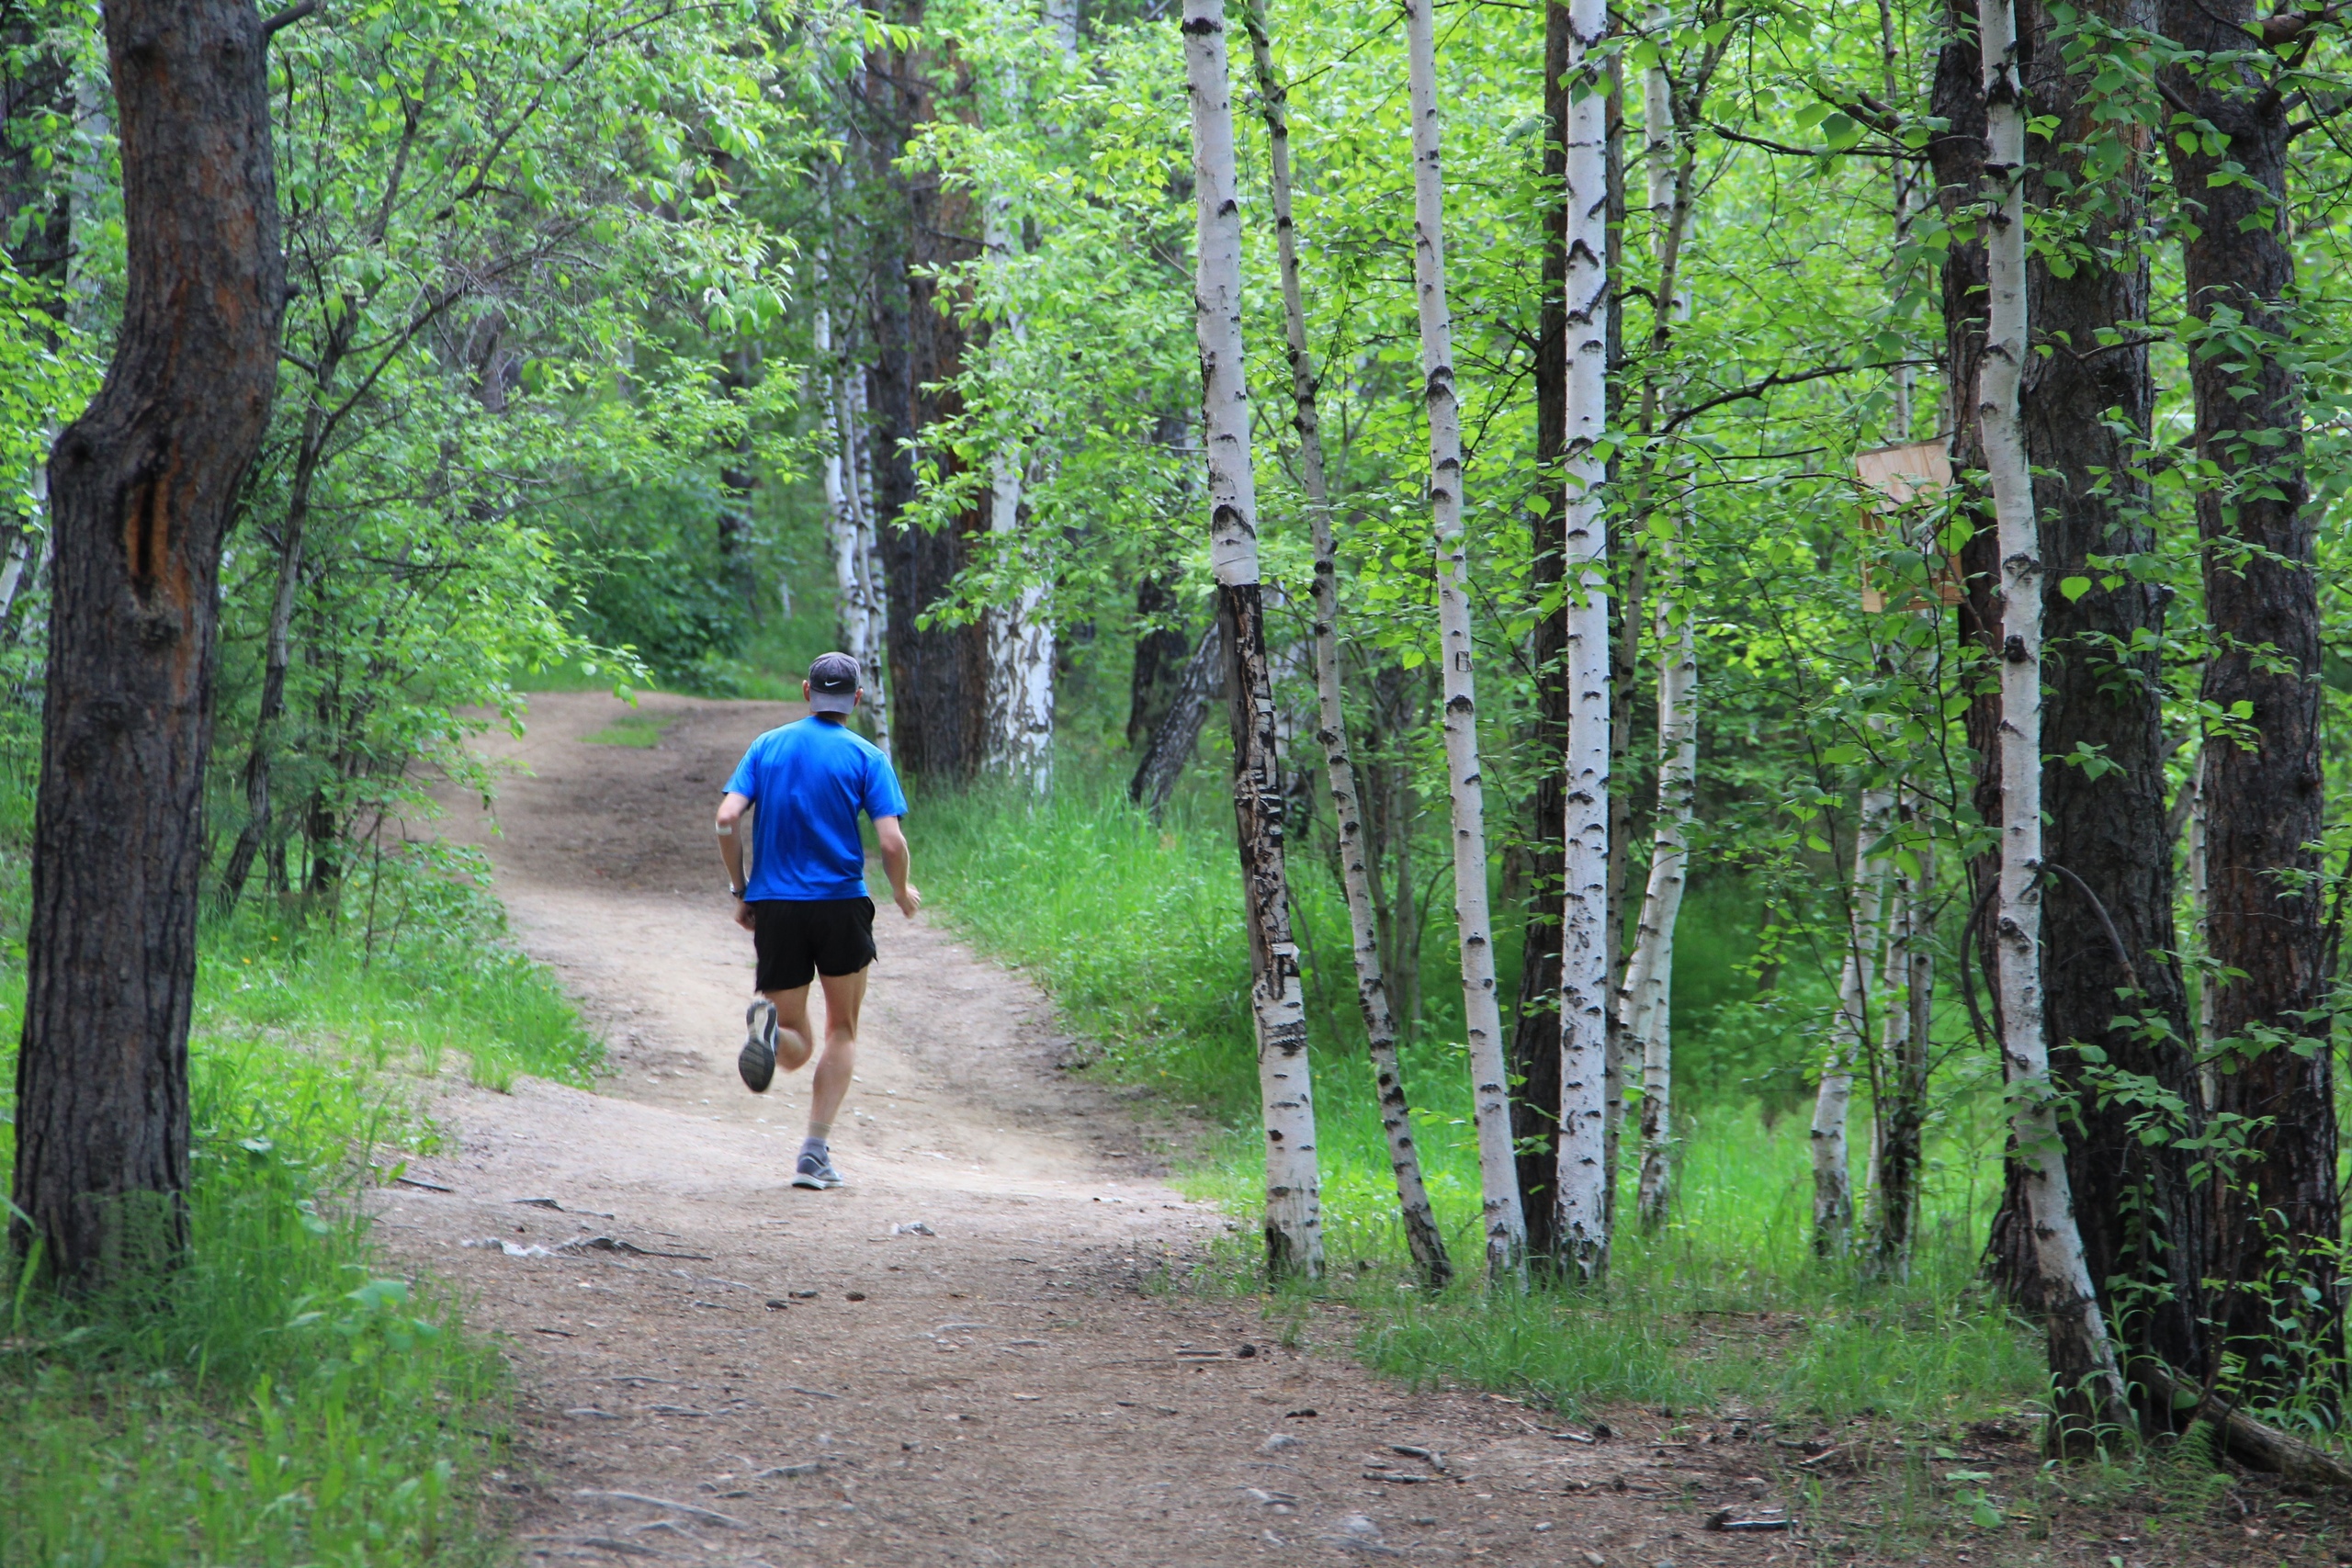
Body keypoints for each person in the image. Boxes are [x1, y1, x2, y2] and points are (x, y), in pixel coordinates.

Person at [716, 651, 919, 1190]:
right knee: (842, 1030)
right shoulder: (867, 756)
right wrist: (900, 891)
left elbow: (726, 818)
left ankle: (772, 1030)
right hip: (839, 905)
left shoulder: (767, 746)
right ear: (855, 699)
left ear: (807, 691)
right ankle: (813, 1154)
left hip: (777, 907)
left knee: (795, 1046)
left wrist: (742, 889)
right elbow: (891, 840)